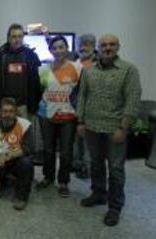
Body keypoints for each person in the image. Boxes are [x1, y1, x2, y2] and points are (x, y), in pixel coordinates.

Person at [77, 34, 142, 226]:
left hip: (115, 128)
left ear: (118, 47)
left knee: (115, 169)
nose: (107, 48)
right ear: (98, 47)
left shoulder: (129, 70)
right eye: (103, 45)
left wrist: (123, 127)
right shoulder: (89, 71)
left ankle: (115, 207)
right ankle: (98, 194)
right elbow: (82, 97)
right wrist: (80, 121)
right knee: (95, 164)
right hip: (91, 127)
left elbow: (133, 100)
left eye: (112, 44)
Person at [35, 36, 82, 197]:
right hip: (46, 115)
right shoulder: (43, 69)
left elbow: (81, 93)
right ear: (50, 50)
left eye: (61, 47)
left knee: (66, 152)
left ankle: (63, 182)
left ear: (67, 48)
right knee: (48, 150)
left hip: (68, 117)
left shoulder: (77, 68)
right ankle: (48, 177)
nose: (58, 50)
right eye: (55, 48)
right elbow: (39, 91)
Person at [0, 98, 35, 210]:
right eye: (5, 111)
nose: (8, 114)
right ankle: (8, 180)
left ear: (15, 112)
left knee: (26, 162)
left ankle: (22, 197)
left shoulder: (25, 125)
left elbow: (28, 148)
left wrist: (8, 155)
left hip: (17, 160)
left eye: (11, 111)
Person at [0, 23, 42, 119]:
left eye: (20, 36)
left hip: (24, 107)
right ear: (8, 38)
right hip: (5, 106)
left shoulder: (30, 56)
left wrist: (33, 108)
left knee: (24, 134)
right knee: (5, 134)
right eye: (14, 36)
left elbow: (36, 83)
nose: (17, 40)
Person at [72, 34, 97, 179]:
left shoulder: (100, 63)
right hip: (75, 108)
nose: (83, 47)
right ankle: (78, 165)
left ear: (94, 46)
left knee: (89, 142)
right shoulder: (75, 62)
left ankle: (89, 169)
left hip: (92, 109)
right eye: (80, 44)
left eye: (87, 44)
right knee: (77, 139)